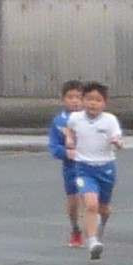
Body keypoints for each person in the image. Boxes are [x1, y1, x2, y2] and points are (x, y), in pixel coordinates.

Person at [66, 82, 124, 260]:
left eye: (98, 100)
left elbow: (117, 137)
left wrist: (117, 143)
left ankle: (100, 226)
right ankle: (92, 242)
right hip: (83, 168)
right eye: (89, 99)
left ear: (104, 103)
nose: (93, 103)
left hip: (106, 167)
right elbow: (69, 129)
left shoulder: (110, 120)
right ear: (83, 100)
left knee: (104, 209)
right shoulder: (76, 118)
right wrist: (69, 139)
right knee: (91, 204)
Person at [49, 82, 85, 245]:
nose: (75, 101)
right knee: (73, 200)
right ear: (63, 99)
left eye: (78, 97)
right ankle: (76, 228)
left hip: (91, 165)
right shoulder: (59, 122)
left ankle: (92, 231)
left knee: (91, 197)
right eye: (70, 97)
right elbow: (54, 146)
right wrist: (66, 152)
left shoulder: (92, 119)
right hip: (71, 166)